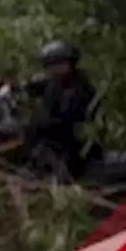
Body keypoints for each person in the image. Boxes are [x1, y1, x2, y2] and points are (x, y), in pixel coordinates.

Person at [21, 40, 99, 180]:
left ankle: (58, 183)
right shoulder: (58, 81)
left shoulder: (78, 88)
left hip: (72, 142)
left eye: (54, 64)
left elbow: (66, 119)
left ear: (66, 64)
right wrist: (17, 88)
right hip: (58, 135)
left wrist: (40, 124)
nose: (50, 69)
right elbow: (38, 86)